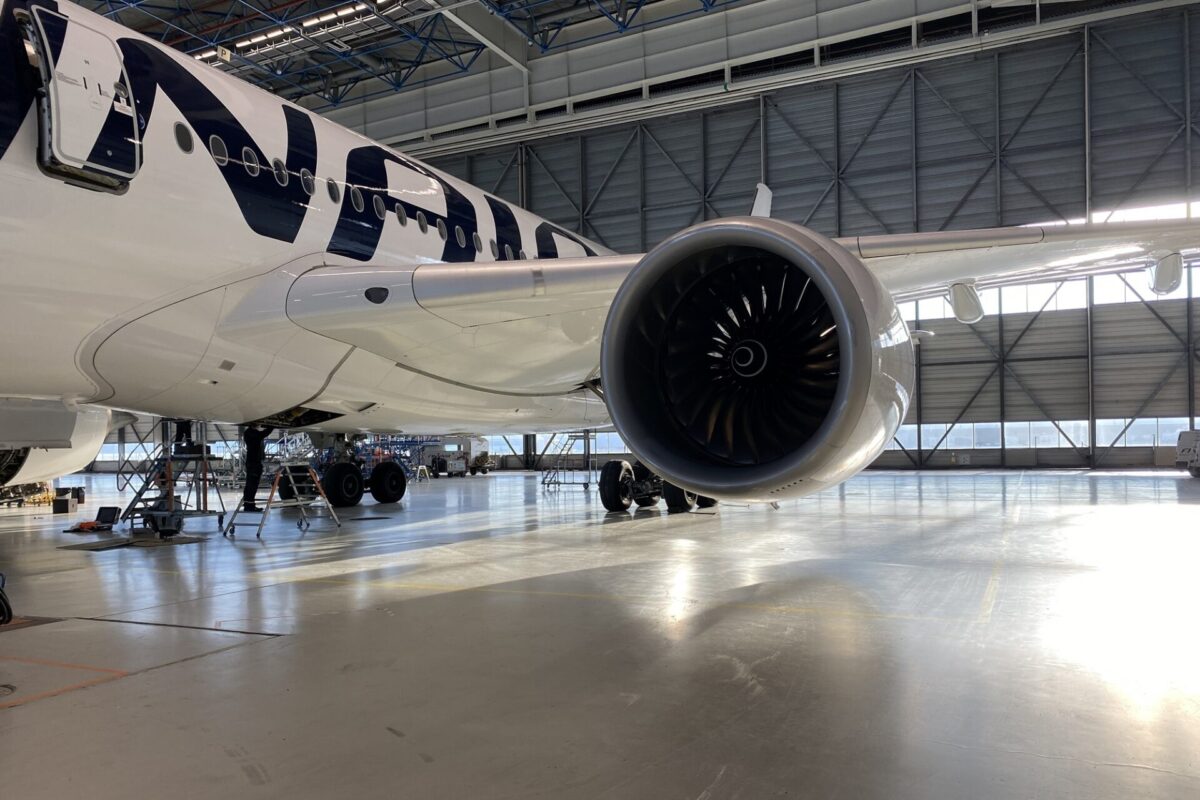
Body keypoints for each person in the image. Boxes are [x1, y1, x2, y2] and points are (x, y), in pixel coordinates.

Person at [241, 424, 275, 512]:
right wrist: (271, 426)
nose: (259, 426)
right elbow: (263, 434)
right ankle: (249, 506)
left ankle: (249, 505)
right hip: (254, 463)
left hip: (254, 462)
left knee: (251, 485)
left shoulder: (250, 433)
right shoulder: (251, 433)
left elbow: (262, 434)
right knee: (252, 485)